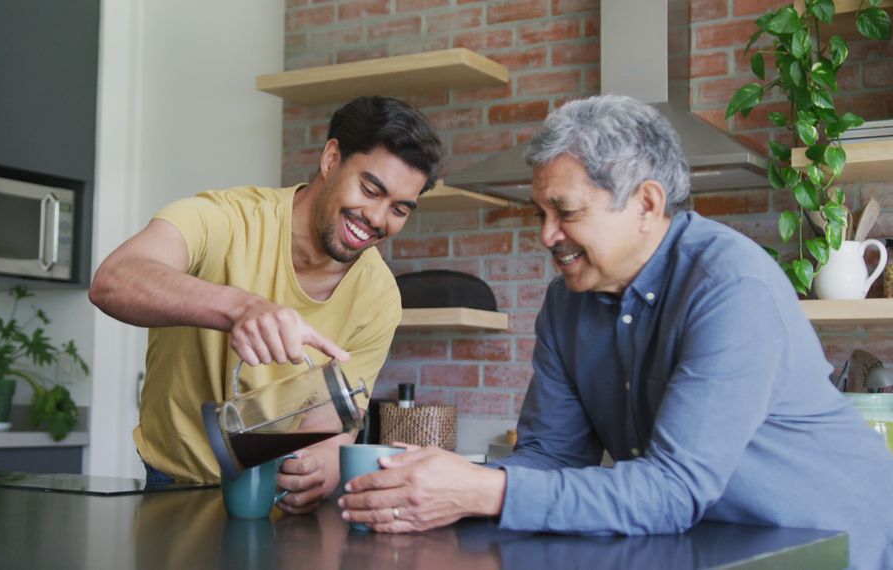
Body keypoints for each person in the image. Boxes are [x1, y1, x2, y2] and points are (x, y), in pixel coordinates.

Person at [338, 94, 893, 569]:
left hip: (831, 544)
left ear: (647, 204)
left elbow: (673, 490)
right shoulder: (566, 303)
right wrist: (450, 476)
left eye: (565, 211)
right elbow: (552, 456)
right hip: (713, 544)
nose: (547, 235)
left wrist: (482, 490)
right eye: (539, 213)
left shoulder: (730, 285)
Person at [89, 96, 442, 514]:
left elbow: (331, 423)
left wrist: (324, 464)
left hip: (274, 501)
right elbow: (114, 280)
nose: (378, 219)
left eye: (399, 209)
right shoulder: (225, 219)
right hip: (174, 487)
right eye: (370, 189)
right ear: (331, 158)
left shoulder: (379, 296)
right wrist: (242, 308)